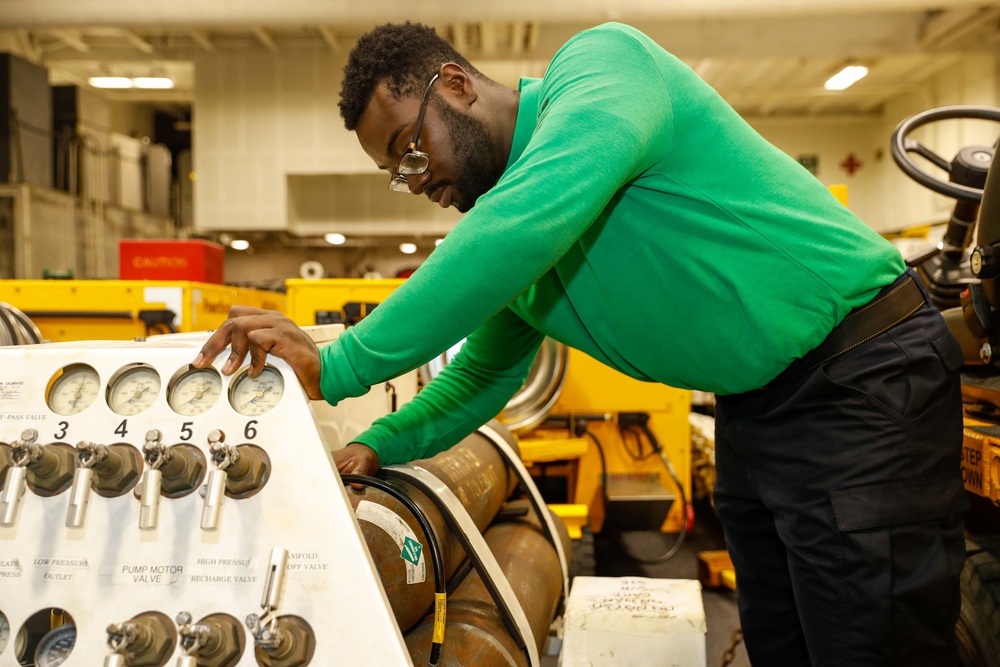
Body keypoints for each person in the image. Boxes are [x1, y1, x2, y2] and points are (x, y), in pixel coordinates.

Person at [194, 21, 968, 666]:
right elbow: (483, 374)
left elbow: (521, 223)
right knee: (786, 643)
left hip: (861, 379)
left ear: (456, 85)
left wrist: (340, 363)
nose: (418, 179)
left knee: (872, 645)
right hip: (761, 413)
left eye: (412, 147)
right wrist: (379, 444)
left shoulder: (602, 69)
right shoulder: (526, 246)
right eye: (398, 172)